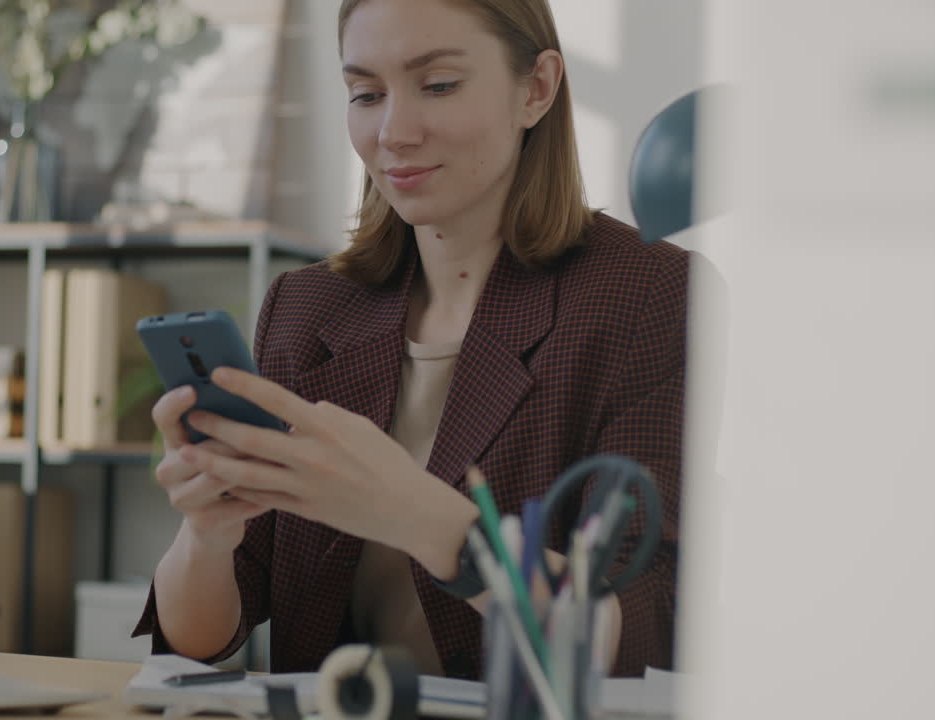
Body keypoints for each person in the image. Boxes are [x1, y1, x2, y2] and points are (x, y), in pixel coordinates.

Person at [133, 0, 686, 680]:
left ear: (536, 88)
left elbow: (641, 633)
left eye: (439, 85)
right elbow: (197, 644)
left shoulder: (650, 296)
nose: (392, 132)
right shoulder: (306, 309)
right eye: (365, 94)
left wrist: (419, 514)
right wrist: (208, 536)